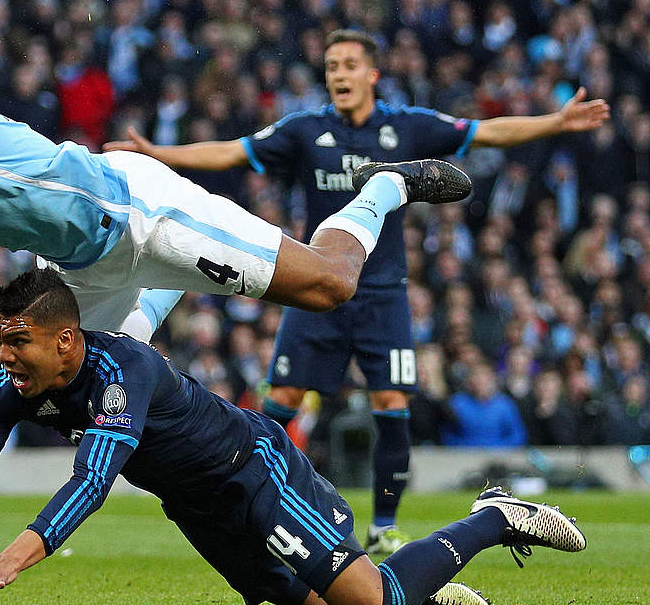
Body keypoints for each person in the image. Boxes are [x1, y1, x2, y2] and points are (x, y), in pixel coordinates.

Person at [0, 269, 585, 605]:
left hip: (254, 474)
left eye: (16, 342)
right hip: (196, 508)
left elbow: (94, 480)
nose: (3, 357)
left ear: (65, 340)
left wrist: (12, 558)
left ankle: (493, 518)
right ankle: (419, 586)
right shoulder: (16, 387)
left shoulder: (124, 371)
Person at [105, 29, 609, 554]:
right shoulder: (305, 130)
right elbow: (233, 152)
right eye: (331, 67)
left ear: (372, 74)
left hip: (382, 293)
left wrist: (555, 121)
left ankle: (383, 526)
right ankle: (248, 500)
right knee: (282, 399)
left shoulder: (407, 126)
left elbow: (484, 133)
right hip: (315, 286)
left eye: (348, 65)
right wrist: (155, 151)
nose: (338, 75)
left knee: (392, 402)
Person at [0, 36, 473, 393]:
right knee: (70, 396)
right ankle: (166, 290)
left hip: (135, 210)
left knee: (328, 286)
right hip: (82, 260)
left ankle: (382, 188)